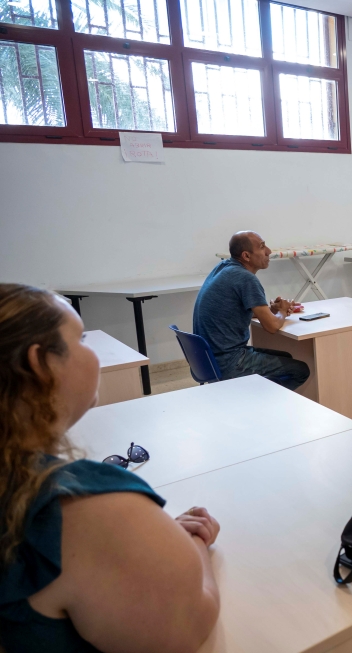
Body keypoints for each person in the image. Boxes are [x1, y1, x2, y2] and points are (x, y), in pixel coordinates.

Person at [0, 284, 221, 652]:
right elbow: (185, 628)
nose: (92, 351)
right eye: (81, 339)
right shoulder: (84, 508)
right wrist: (195, 540)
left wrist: (145, 539)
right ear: (40, 363)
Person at [193, 231, 310, 390]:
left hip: (208, 359)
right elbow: (272, 327)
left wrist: (270, 310)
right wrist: (282, 311)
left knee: (286, 357)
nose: (269, 251)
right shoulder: (245, 278)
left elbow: (234, 310)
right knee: (300, 370)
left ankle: (255, 396)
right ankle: (261, 400)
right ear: (246, 256)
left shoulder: (222, 268)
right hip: (228, 361)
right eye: (262, 247)